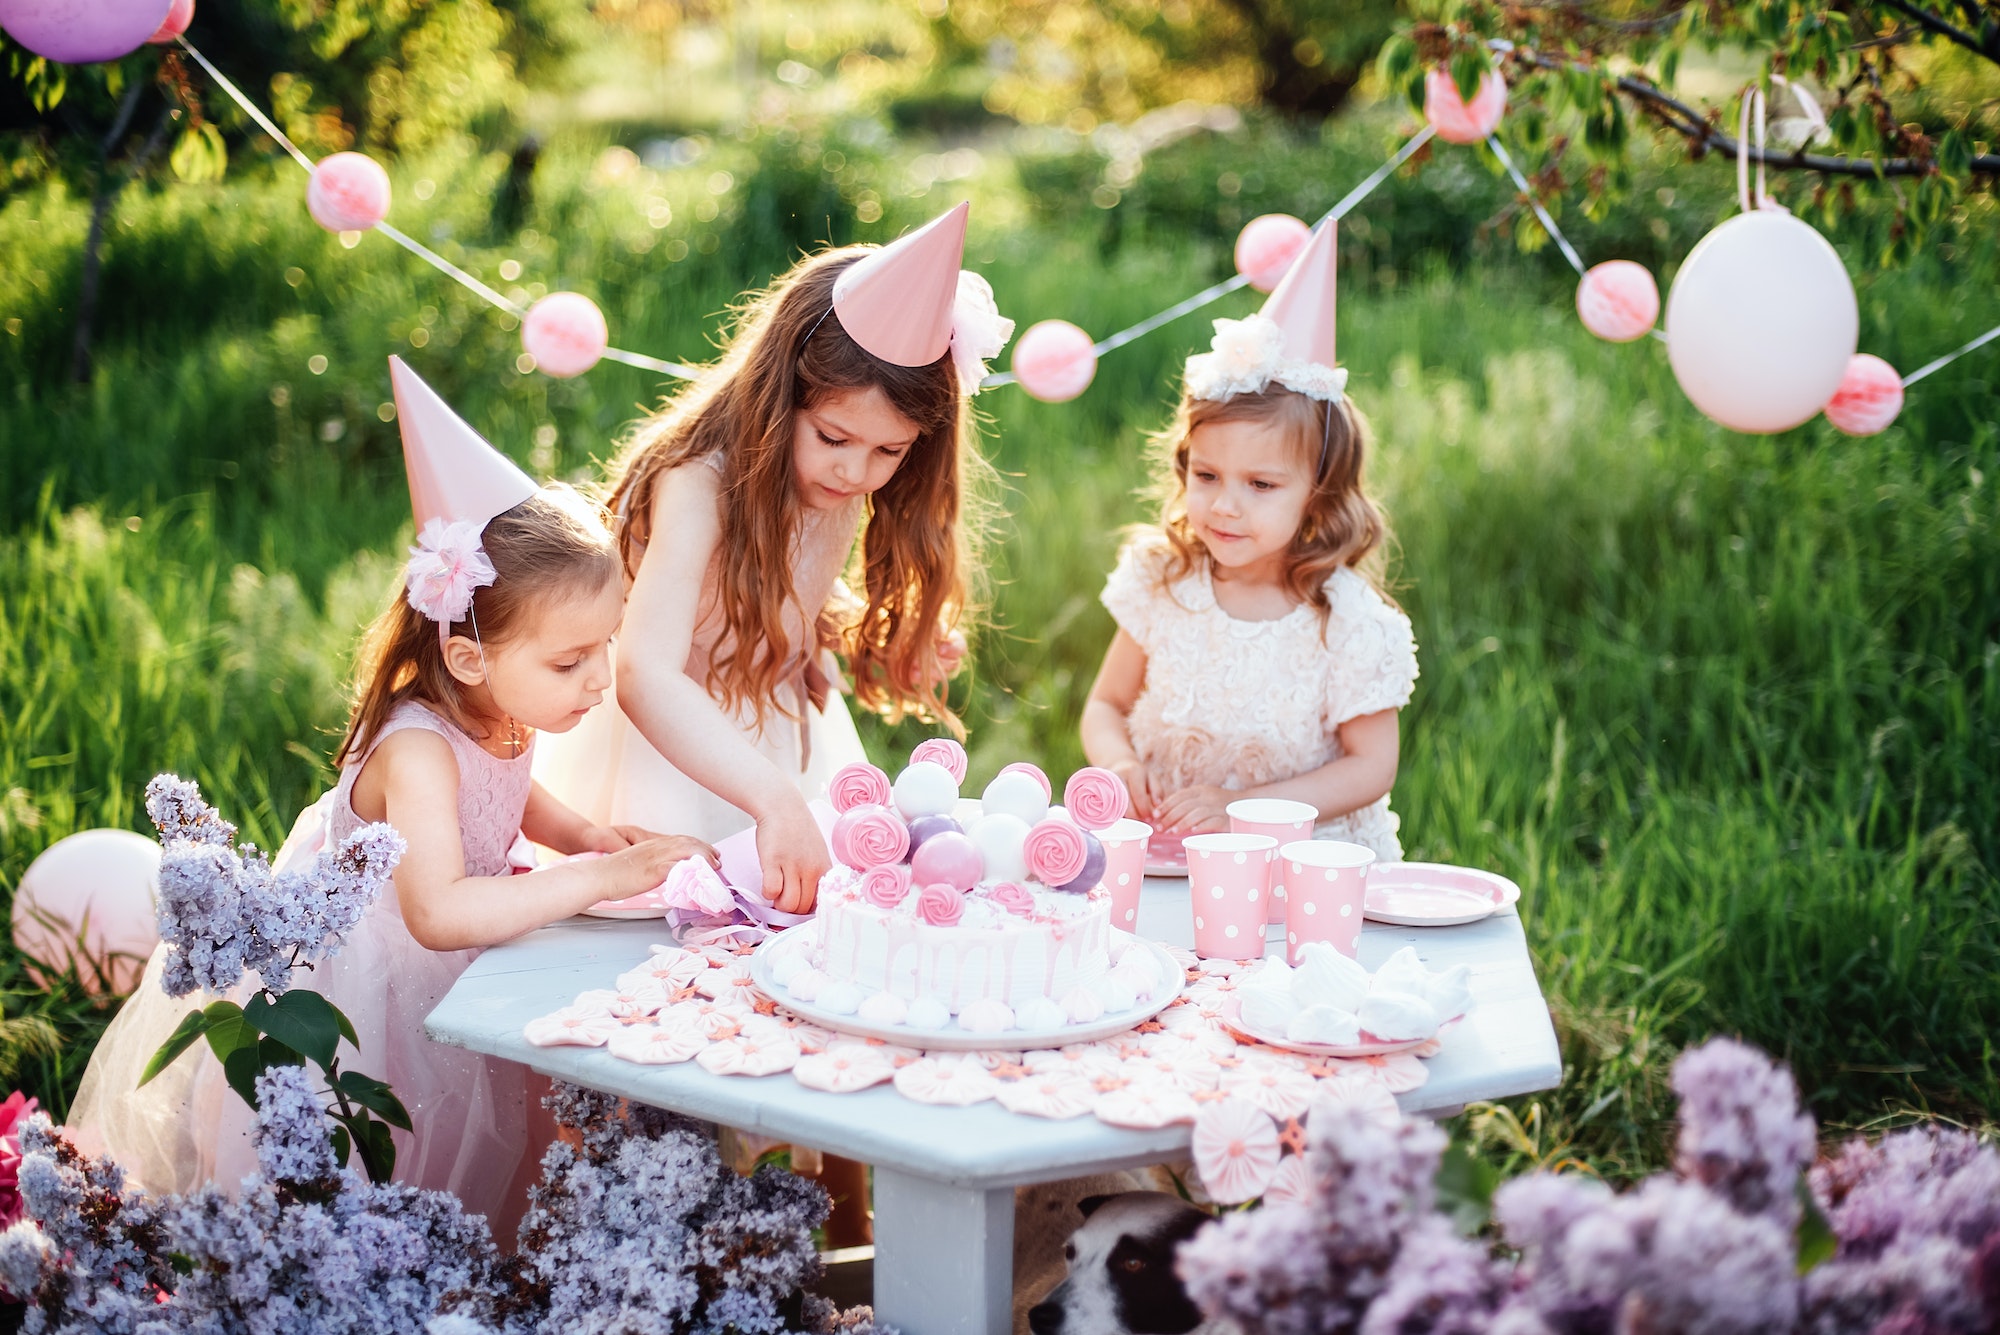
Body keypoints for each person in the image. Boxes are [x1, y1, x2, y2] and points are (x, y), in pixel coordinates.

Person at [69, 358, 712, 1220]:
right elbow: (437, 912)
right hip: (370, 989)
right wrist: (595, 882)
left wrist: (585, 838)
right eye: (570, 660)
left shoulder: (503, 712)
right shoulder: (418, 752)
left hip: (455, 958)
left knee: (491, 1136)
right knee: (395, 1147)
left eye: (607, 645)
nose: (601, 679)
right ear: (467, 655)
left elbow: (510, 793)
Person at [534, 201, 1010, 1241]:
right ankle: (644, 1238)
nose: (852, 471)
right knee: (663, 1028)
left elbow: (774, 599)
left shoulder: (840, 479)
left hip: (780, 742)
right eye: (834, 436)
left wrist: (845, 637)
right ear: (778, 392)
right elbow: (649, 668)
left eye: (887, 454)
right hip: (676, 758)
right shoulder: (695, 480)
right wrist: (767, 797)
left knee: (827, 992)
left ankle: (837, 1242)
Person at [1080, 224, 1419, 860]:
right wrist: (1121, 765)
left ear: (1318, 492)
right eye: (1207, 476)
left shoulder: (1345, 621)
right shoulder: (1164, 581)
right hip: (1171, 852)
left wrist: (1247, 815)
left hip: (1297, 863)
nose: (1225, 506)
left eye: (1261, 484)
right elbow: (1105, 702)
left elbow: (1370, 767)